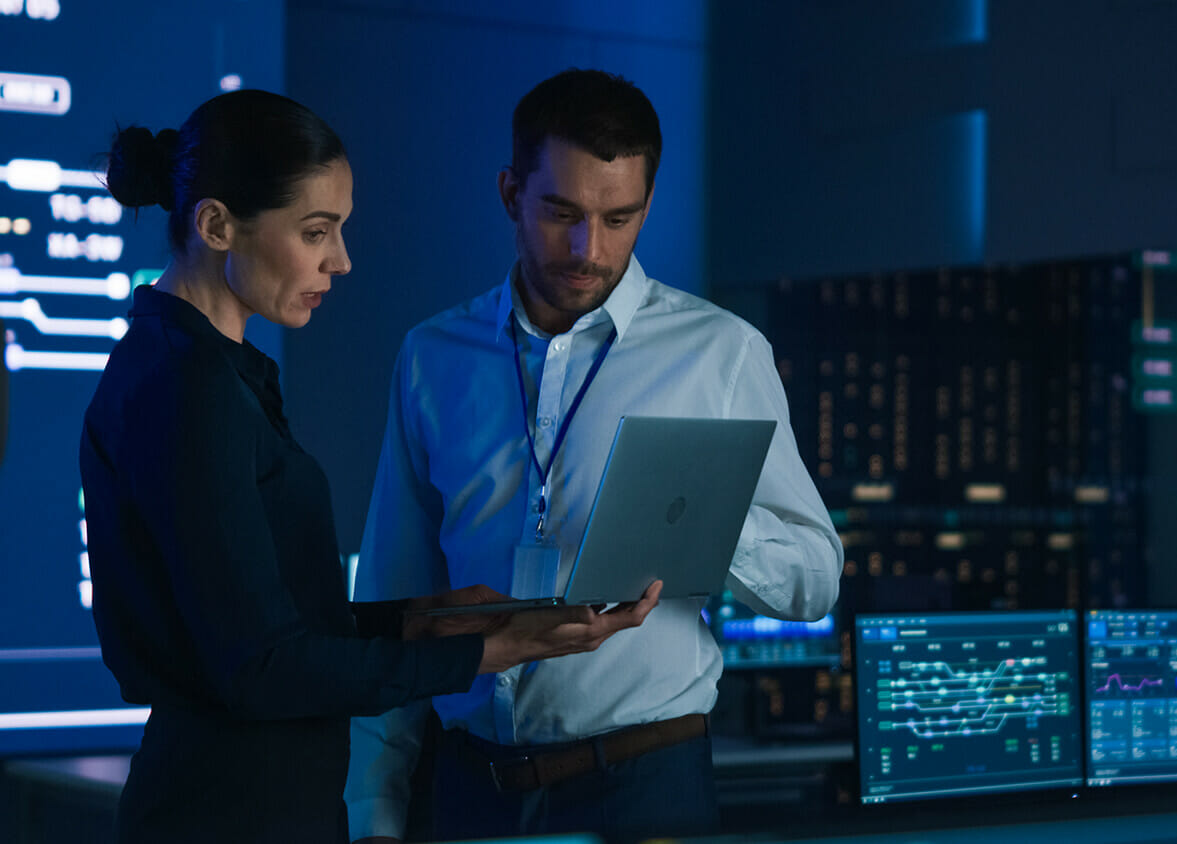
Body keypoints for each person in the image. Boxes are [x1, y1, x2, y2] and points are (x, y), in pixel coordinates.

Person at [80, 90, 660, 844]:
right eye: (316, 231)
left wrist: (425, 620)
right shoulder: (186, 390)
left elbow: (255, 623)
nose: (341, 260)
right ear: (216, 224)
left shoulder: (208, 372)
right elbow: (262, 667)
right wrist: (485, 651)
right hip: (227, 812)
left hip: (251, 801)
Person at [345, 69, 843, 842]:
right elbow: (397, 592)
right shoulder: (431, 357)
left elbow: (815, 580)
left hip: (649, 787)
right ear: (510, 193)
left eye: (620, 218)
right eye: (561, 213)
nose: (589, 249)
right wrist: (372, 811)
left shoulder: (721, 353)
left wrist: (704, 522)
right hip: (468, 789)